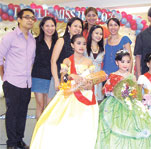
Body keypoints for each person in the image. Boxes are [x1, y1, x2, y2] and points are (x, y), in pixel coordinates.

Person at [30, 34, 99, 149]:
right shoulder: (67, 60)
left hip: (85, 97)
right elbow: (63, 80)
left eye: (84, 43)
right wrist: (72, 76)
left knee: (83, 127)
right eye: (78, 43)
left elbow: (91, 83)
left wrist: (86, 84)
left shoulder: (89, 62)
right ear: (72, 45)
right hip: (69, 95)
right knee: (54, 125)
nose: (81, 46)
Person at [95, 50, 151, 149]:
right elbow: (104, 89)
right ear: (117, 62)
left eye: (128, 62)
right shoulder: (112, 75)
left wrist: (131, 92)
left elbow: (136, 91)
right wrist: (112, 92)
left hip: (130, 103)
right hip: (114, 103)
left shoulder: (131, 76)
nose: (125, 64)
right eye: (122, 61)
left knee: (133, 124)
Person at [0, 8, 36, 149]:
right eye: (26, 17)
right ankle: (11, 144)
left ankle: (19, 140)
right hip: (12, 82)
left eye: (32, 18)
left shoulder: (32, 40)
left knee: (22, 113)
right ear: (19, 19)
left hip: (26, 83)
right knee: (12, 114)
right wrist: (4, 77)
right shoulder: (10, 37)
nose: (30, 20)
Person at [48, 17, 83, 102]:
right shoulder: (62, 40)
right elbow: (53, 61)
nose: (78, 29)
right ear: (69, 27)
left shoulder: (80, 43)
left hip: (74, 81)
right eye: (75, 26)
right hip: (60, 78)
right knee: (54, 107)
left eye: (80, 27)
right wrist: (56, 80)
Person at [31, 16, 58, 120]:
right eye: (47, 25)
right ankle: (38, 131)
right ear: (42, 27)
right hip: (38, 77)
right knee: (40, 105)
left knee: (49, 107)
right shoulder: (35, 41)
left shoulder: (58, 42)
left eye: (52, 26)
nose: (50, 28)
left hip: (52, 78)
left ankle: (46, 132)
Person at [85, 25, 104, 103]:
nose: (99, 36)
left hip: (98, 80)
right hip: (86, 79)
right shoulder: (84, 47)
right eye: (96, 33)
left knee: (98, 103)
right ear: (91, 33)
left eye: (101, 34)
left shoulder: (103, 48)